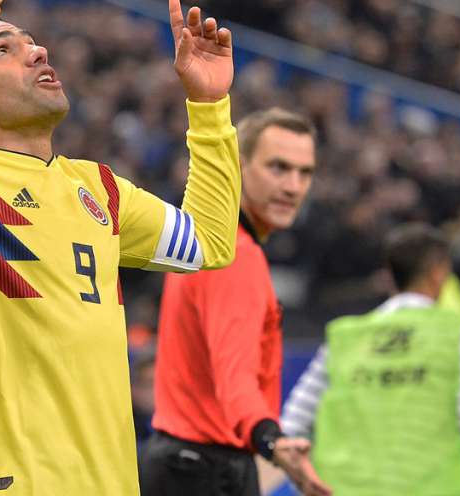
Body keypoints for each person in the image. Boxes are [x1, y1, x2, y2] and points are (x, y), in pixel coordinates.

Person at [0, 0, 241, 495]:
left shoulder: (100, 188)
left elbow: (210, 242)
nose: (39, 52)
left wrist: (207, 108)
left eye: (31, 42)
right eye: (4, 50)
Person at [141, 108, 331, 496]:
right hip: (207, 471)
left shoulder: (209, 245)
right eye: (278, 168)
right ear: (239, 167)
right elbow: (236, 377)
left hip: (181, 462)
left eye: (304, 172)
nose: (293, 186)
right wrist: (271, 439)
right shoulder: (234, 255)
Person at [282, 223, 460, 495]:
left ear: (388, 276)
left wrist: (305, 486)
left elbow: (294, 423)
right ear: (440, 272)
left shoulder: (345, 338)